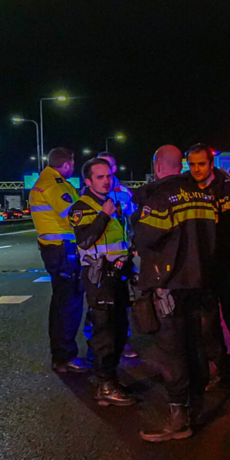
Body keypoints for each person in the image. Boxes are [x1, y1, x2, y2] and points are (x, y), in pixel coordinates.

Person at [133, 149, 219, 442]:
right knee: (197, 347)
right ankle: (196, 407)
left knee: (172, 354)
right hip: (202, 285)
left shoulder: (160, 198)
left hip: (170, 286)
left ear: (157, 167)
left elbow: (143, 238)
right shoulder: (205, 195)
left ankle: (178, 419)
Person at [185, 144, 230, 398]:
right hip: (201, 267)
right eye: (192, 165)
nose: (196, 170)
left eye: (201, 164)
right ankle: (223, 373)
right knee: (207, 325)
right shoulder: (186, 187)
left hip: (227, 266)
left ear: (211, 164)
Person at [70, 158, 136, 407]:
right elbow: (85, 241)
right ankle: (105, 384)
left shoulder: (113, 202)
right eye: (100, 177)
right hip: (98, 277)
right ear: (88, 181)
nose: (106, 180)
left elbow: (122, 241)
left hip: (117, 275)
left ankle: (111, 379)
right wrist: (103, 216)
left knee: (119, 329)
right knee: (104, 332)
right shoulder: (81, 207)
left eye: (108, 176)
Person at [29, 147, 88, 373]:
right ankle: (64, 357)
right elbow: (75, 215)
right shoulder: (56, 184)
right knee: (68, 304)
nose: (72, 168)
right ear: (66, 164)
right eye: (71, 164)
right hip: (64, 252)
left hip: (56, 250)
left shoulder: (45, 181)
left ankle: (62, 355)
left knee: (63, 302)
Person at [96, 152, 138, 359]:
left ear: (114, 169)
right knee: (99, 309)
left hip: (122, 255)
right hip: (98, 261)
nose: (106, 172)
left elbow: (133, 218)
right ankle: (98, 351)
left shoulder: (124, 192)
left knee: (123, 303)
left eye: (109, 166)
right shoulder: (88, 194)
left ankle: (123, 342)